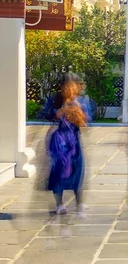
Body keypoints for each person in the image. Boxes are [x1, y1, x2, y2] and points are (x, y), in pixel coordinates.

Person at [46, 75, 89, 215]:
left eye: (73, 85)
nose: (70, 89)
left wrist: (79, 114)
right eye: (67, 86)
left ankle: (79, 203)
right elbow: (47, 114)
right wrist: (61, 111)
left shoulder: (81, 102)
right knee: (58, 172)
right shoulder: (56, 100)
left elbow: (85, 124)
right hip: (59, 142)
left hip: (73, 142)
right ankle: (59, 204)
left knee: (77, 170)